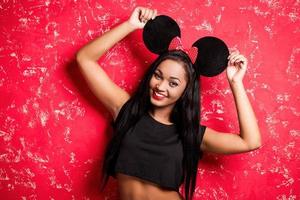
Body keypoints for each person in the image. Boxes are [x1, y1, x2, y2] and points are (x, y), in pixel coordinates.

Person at [76, 6, 262, 200]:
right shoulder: (126, 109)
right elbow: (85, 59)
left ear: (185, 90)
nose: (161, 86)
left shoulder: (190, 133)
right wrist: (130, 25)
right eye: (158, 76)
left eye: (173, 83)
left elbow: (250, 141)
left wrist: (235, 82)